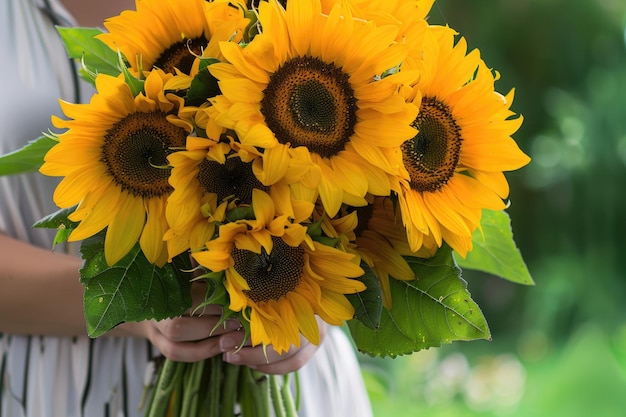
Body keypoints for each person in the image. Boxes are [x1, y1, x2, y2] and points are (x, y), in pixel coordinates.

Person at [0, 1, 374, 416]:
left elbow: (374, 176)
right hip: (58, 389)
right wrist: (137, 309)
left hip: (290, 366)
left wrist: (309, 301)